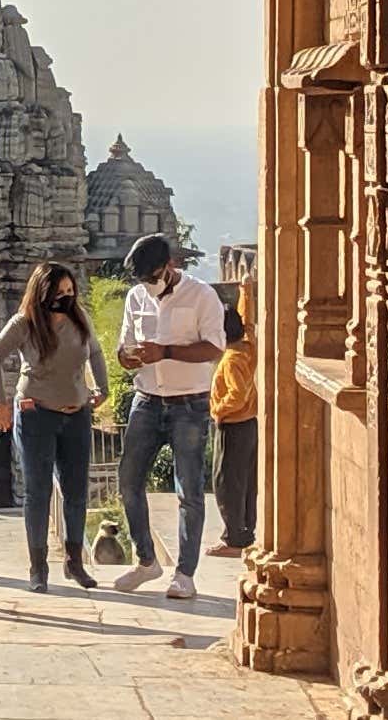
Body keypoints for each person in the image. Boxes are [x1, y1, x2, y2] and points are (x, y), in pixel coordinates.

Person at [109, 234, 227, 599]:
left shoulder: (201, 295)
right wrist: (125, 357)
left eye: (154, 276)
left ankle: (185, 573)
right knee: (128, 480)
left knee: (188, 489)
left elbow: (214, 347)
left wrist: (168, 352)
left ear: (170, 267)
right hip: (146, 398)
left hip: (188, 403)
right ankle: (146, 560)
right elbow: (123, 344)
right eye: (143, 279)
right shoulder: (136, 297)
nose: (149, 283)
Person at [0, 260, 107, 591]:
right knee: (38, 491)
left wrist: (102, 389)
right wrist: (1, 402)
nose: (65, 297)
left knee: (76, 491)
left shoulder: (79, 319)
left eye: (70, 291)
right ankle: (38, 566)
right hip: (37, 412)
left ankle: (74, 561)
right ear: (42, 293)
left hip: (76, 411)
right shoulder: (25, 323)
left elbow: (95, 352)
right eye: (58, 292)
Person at [207, 296, 256, 557]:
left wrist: (219, 410)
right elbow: (248, 322)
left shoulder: (231, 360)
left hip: (233, 425)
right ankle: (244, 534)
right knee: (245, 482)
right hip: (249, 425)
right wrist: (245, 291)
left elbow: (237, 394)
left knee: (226, 482)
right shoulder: (248, 348)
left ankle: (234, 539)